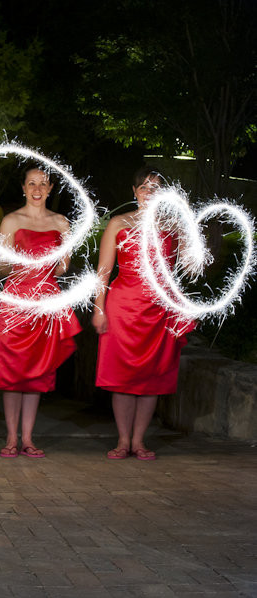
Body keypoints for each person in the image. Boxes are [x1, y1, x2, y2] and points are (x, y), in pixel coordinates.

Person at [93, 167, 194, 461]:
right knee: (123, 375)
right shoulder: (118, 223)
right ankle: (123, 441)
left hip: (159, 309)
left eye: (156, 187)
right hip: (124, 306)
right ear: (134, 192)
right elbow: (104, 271)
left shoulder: (172, 226)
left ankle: (139, 441)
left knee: (152, 377)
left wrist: (187, 219)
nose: (149, 192)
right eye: (144, 187)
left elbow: (189, 266)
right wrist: (99, 309)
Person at [0, 166, 82, 458]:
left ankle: (27, 438)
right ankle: (10, 438)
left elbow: (64, 267)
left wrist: (57, 263)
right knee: (13, 370)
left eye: (43, 184)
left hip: (46, 302)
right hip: (16, 301)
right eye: (32, 184)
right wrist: (12, 263)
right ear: (23, 188)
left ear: (51, 188)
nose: (37, 189)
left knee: (37, 372)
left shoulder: (61, 222)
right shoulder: (11, 221)